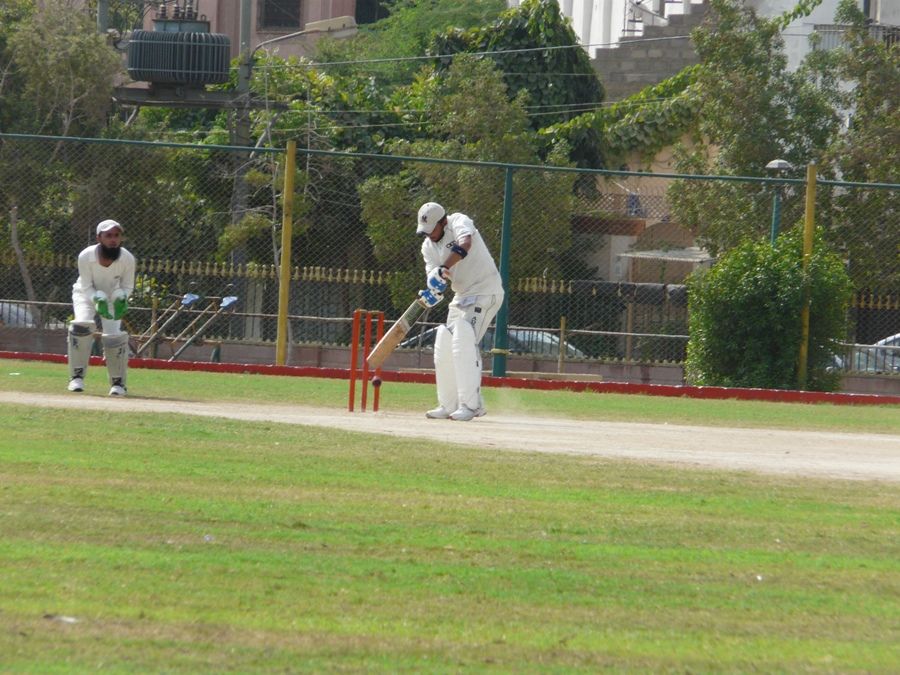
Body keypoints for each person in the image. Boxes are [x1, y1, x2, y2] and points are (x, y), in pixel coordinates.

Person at [416, 202, 504, 421]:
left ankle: (472, 405)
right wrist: (435, 284)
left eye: (432, 229)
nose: (429, 235)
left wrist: (443, 268)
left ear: (443, 222)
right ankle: (449, 404)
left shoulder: (458, 221)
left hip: (486, 291)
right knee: (444, 340)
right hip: (461, 296)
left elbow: (465, 244)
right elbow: (433, 273)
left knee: (464, 338)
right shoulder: (428, 247)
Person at [67, 219, 135, 396]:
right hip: (86, 294)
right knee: (81, 325)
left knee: (113, 337)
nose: (113, 239)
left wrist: (122, 298)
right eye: (108, 235)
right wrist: (96, 298)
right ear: (99, 238)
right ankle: (76, 377)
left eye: (116, 235)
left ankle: (118, 383)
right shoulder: (86, 256)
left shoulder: (127, 258)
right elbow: (86, 285)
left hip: (113, 297)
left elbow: (128, 286)